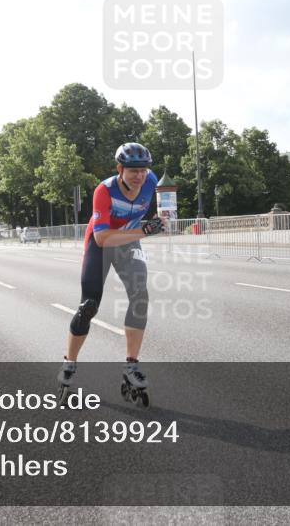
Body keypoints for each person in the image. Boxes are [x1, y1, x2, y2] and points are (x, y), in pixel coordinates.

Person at [58, 142, 166, 399]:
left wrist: (157, 221)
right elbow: (102, 238)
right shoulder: (104, 191)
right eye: (133, 170)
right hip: (101, 243)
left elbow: (155, 210)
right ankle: (69, 363)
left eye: (143, 170)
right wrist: (144, 230)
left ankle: (131, 366)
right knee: (88, 306)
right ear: (120, 169)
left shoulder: (151, 181)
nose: (139, 176)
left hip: (128, 241)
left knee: (140, 297)